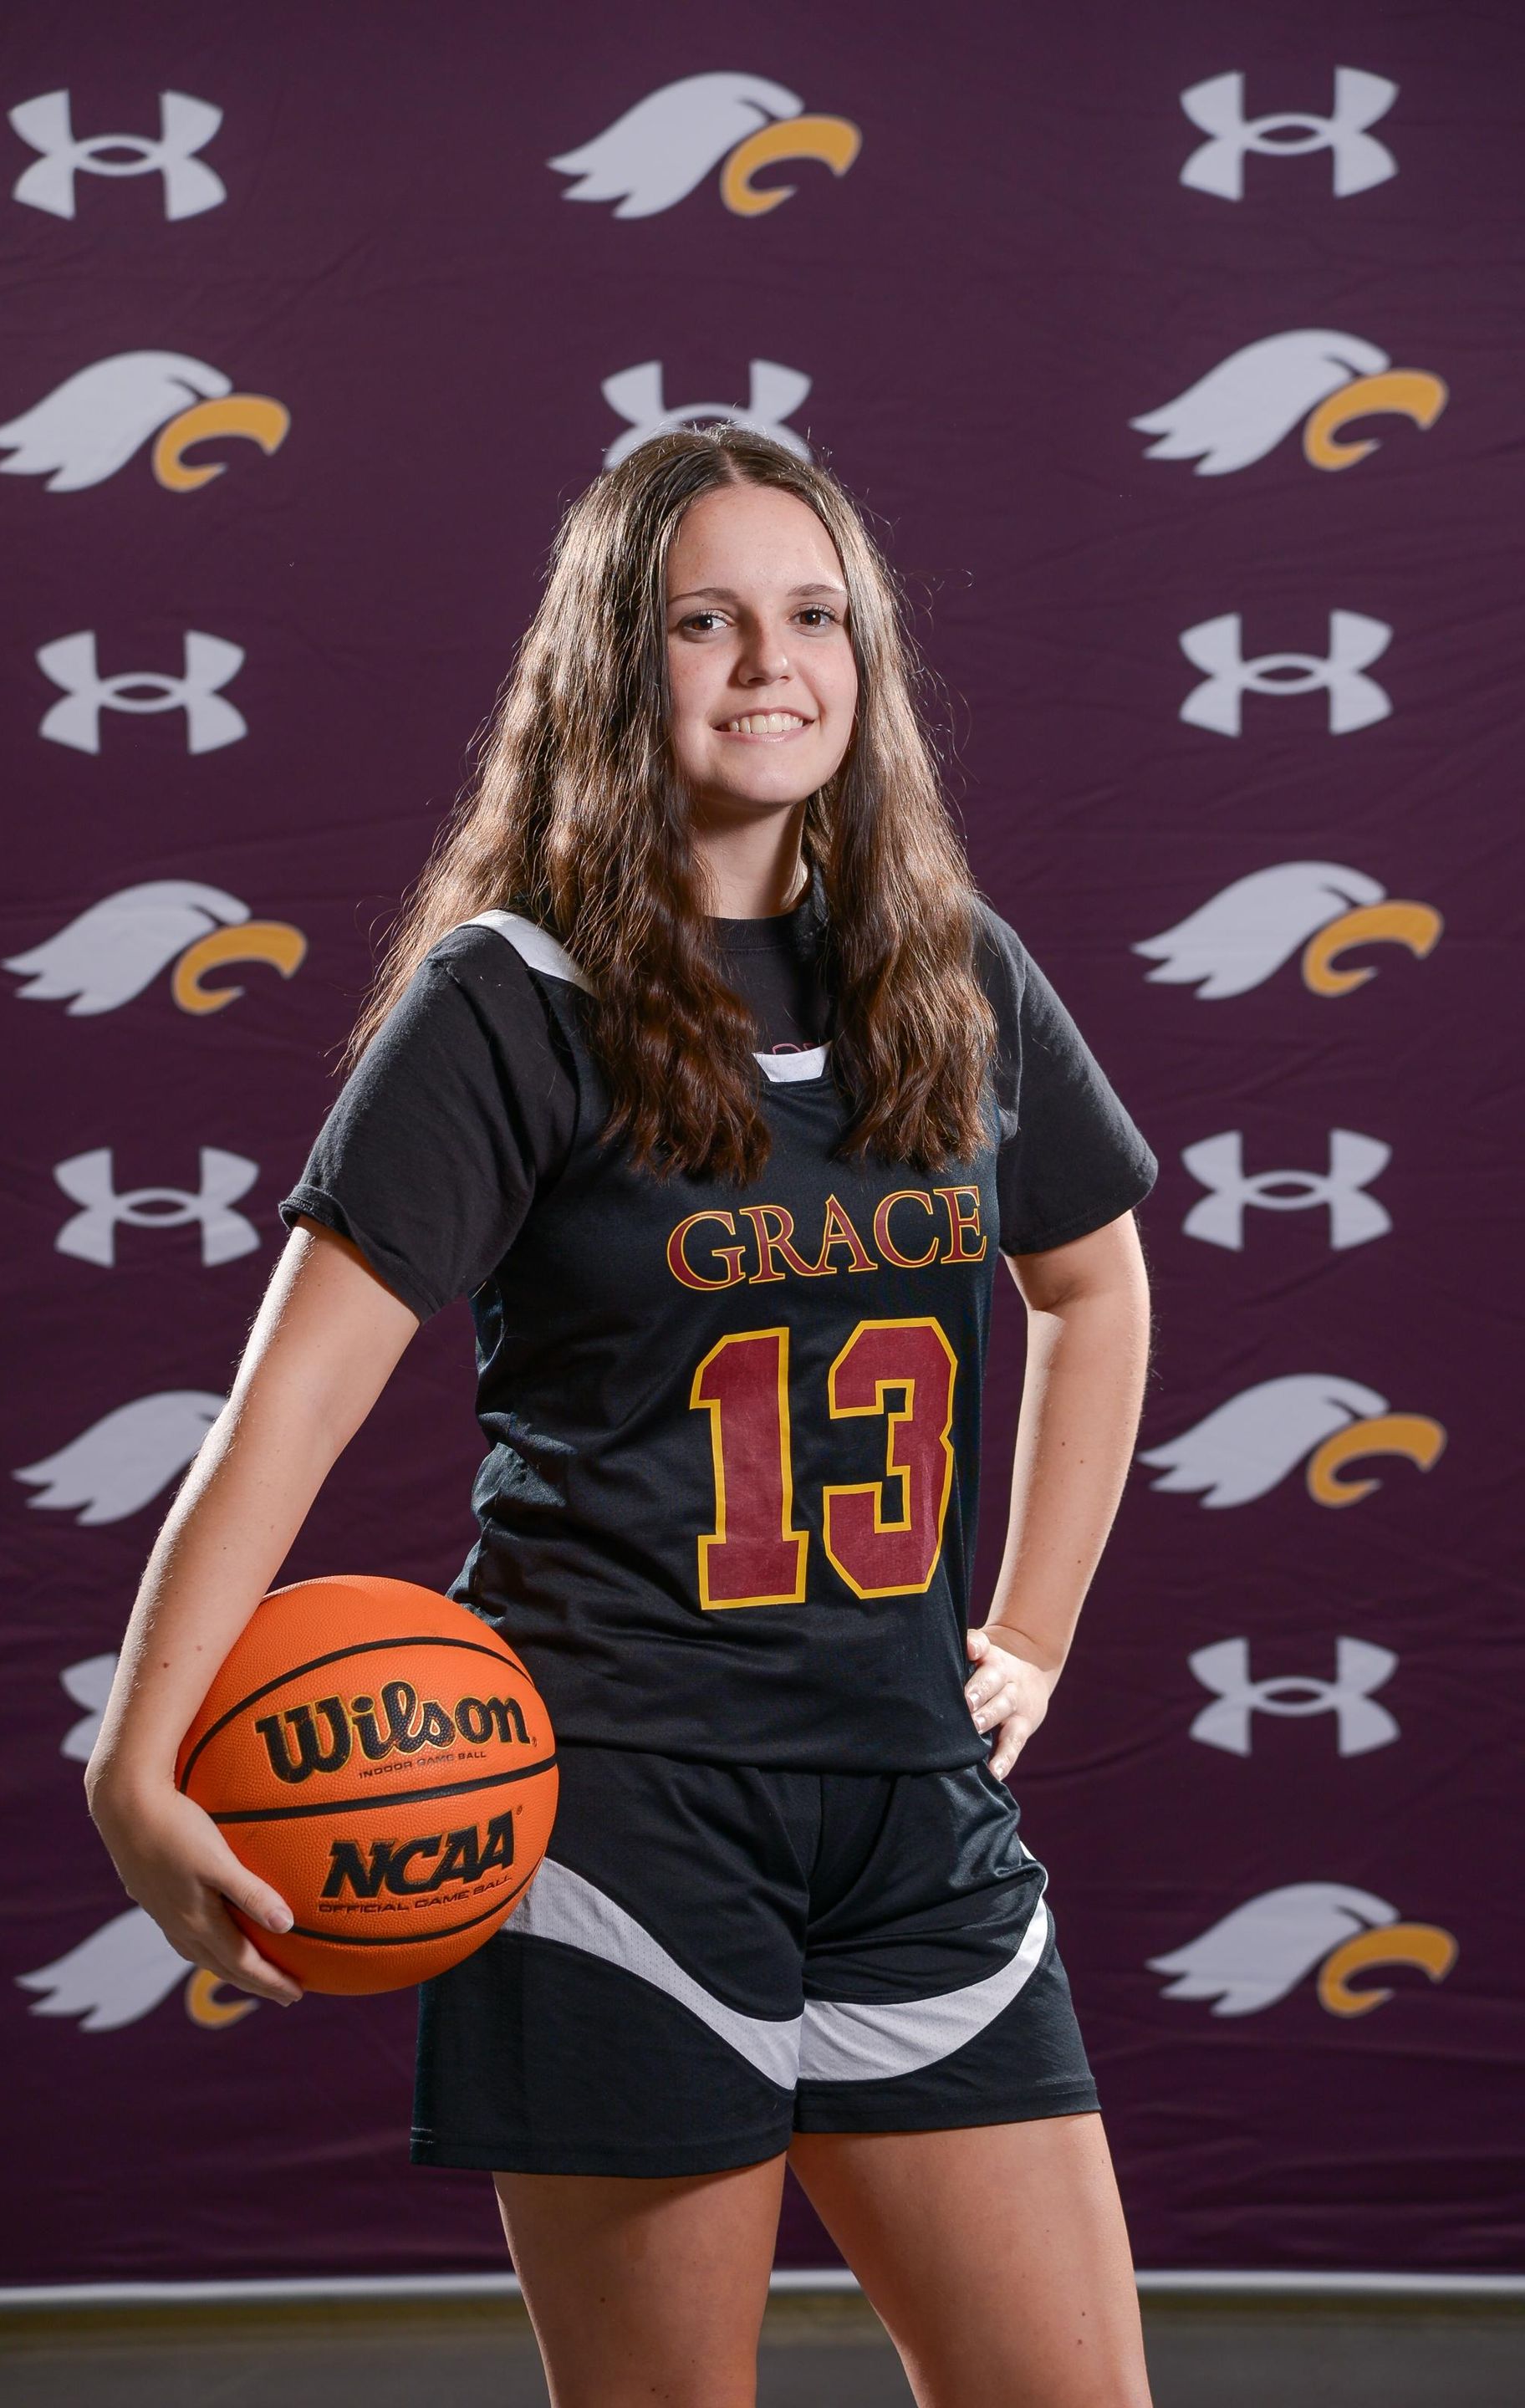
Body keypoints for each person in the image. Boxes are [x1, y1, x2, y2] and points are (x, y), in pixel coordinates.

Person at [85, 425, 1159, 2408]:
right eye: (708, 620)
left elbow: (1092, 1283)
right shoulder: (511, 1002)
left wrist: (1032, 1630)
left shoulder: (949, 972)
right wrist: (134, 1767)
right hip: (617, 1812)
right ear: (613, 660)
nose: (774, 661)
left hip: (914, 1801)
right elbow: (286, 1417)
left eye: (816, 614)